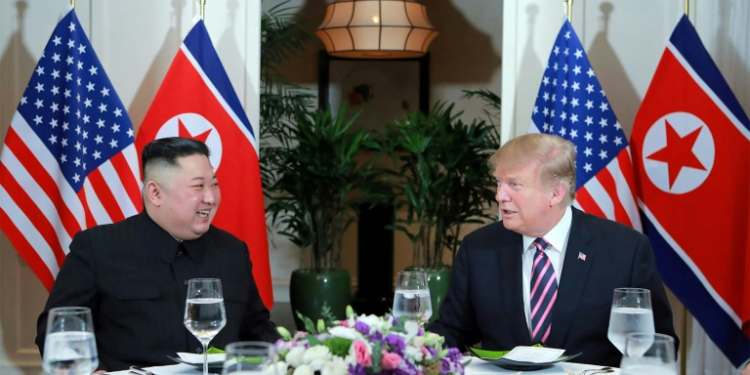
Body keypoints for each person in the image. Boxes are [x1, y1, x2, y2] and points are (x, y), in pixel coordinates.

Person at [428, 133, 678, 367]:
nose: (499, 195)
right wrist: (406, 351)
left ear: (555, 193)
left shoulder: (624, 249)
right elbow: (452, 332)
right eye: (498, 182)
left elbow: (657, 345)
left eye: (514, 184)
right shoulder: (478, 248)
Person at [35, 137, 279, 371]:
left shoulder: (232, 250)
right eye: (198, 186)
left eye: (214, 184)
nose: (210, 197)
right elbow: (55, 331)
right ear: (155, 193)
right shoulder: (98, 247)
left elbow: (258, 329)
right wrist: (93, 372)